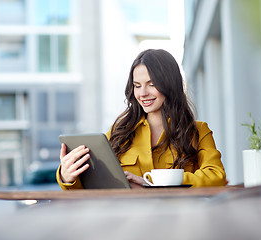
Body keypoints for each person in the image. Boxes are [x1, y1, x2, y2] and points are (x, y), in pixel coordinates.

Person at [56, 49, 226, 190]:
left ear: (169, 84)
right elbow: (94, 185)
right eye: (137, 86)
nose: (142, 93)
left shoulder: (197, 131)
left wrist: (153, 182)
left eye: (151, 84)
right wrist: (67, 176)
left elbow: (216, 177)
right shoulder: (120, 131)